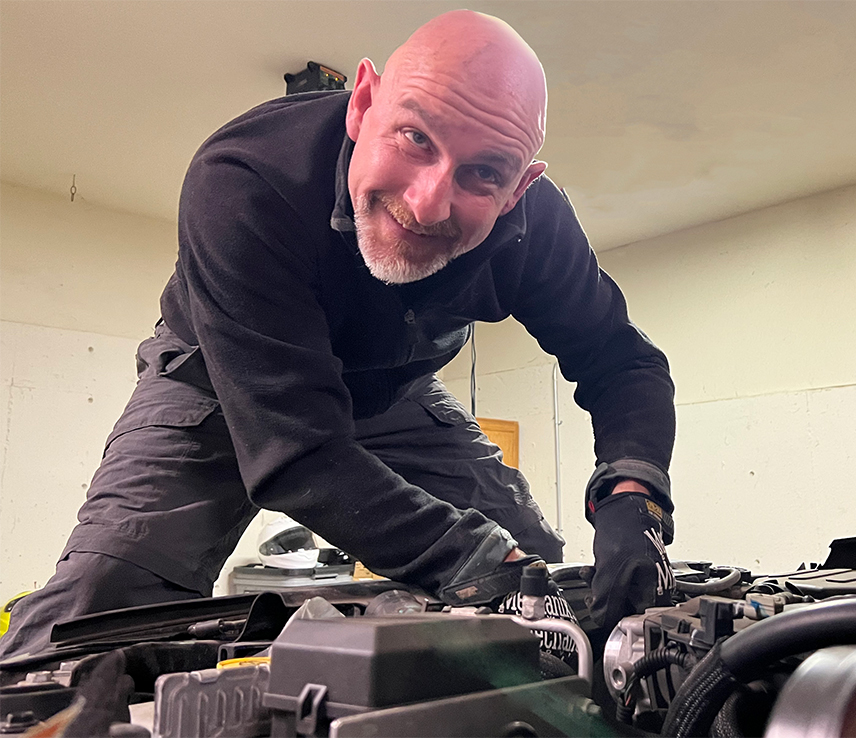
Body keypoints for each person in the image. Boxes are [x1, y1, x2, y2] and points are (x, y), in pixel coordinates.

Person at [0, 10, 676, 659]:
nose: (425, 202)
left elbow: (622, 362)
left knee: (533, 564)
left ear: (519, 188)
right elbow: (295, 452)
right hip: (218, 376)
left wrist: (632, 494)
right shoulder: (246, 179)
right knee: (100, 604)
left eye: (483, 173)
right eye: (416, 138)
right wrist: (475, 560)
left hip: (394, 390)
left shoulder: (536, 227)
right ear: (362, 105)